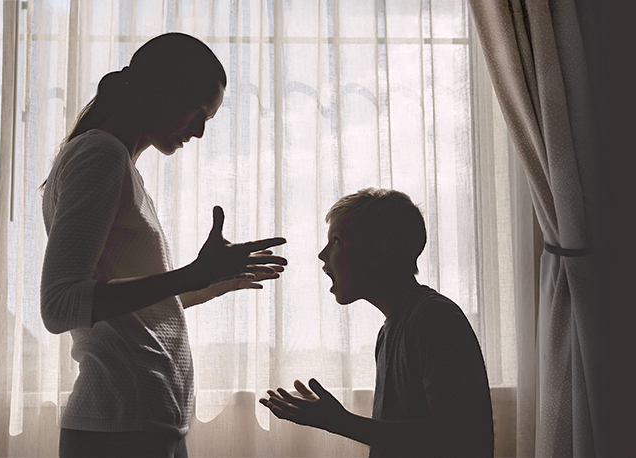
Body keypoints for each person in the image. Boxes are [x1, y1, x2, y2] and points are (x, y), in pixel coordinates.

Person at [41, 32, 287, 458]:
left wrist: (210, 282)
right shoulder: (100, 155)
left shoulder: (117, 162)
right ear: (162, 92)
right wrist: (192, 273)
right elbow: (61, 305)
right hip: (121, 421)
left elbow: (129, 308)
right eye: (199, 113)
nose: (199, 132)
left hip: (145, 418)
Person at [259, 188, 493, 458]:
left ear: (377, 253)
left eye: (335, 240)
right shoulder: (392, 329)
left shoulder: (434, 319)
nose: (322, 255)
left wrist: (338, 421)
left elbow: (454, 438)